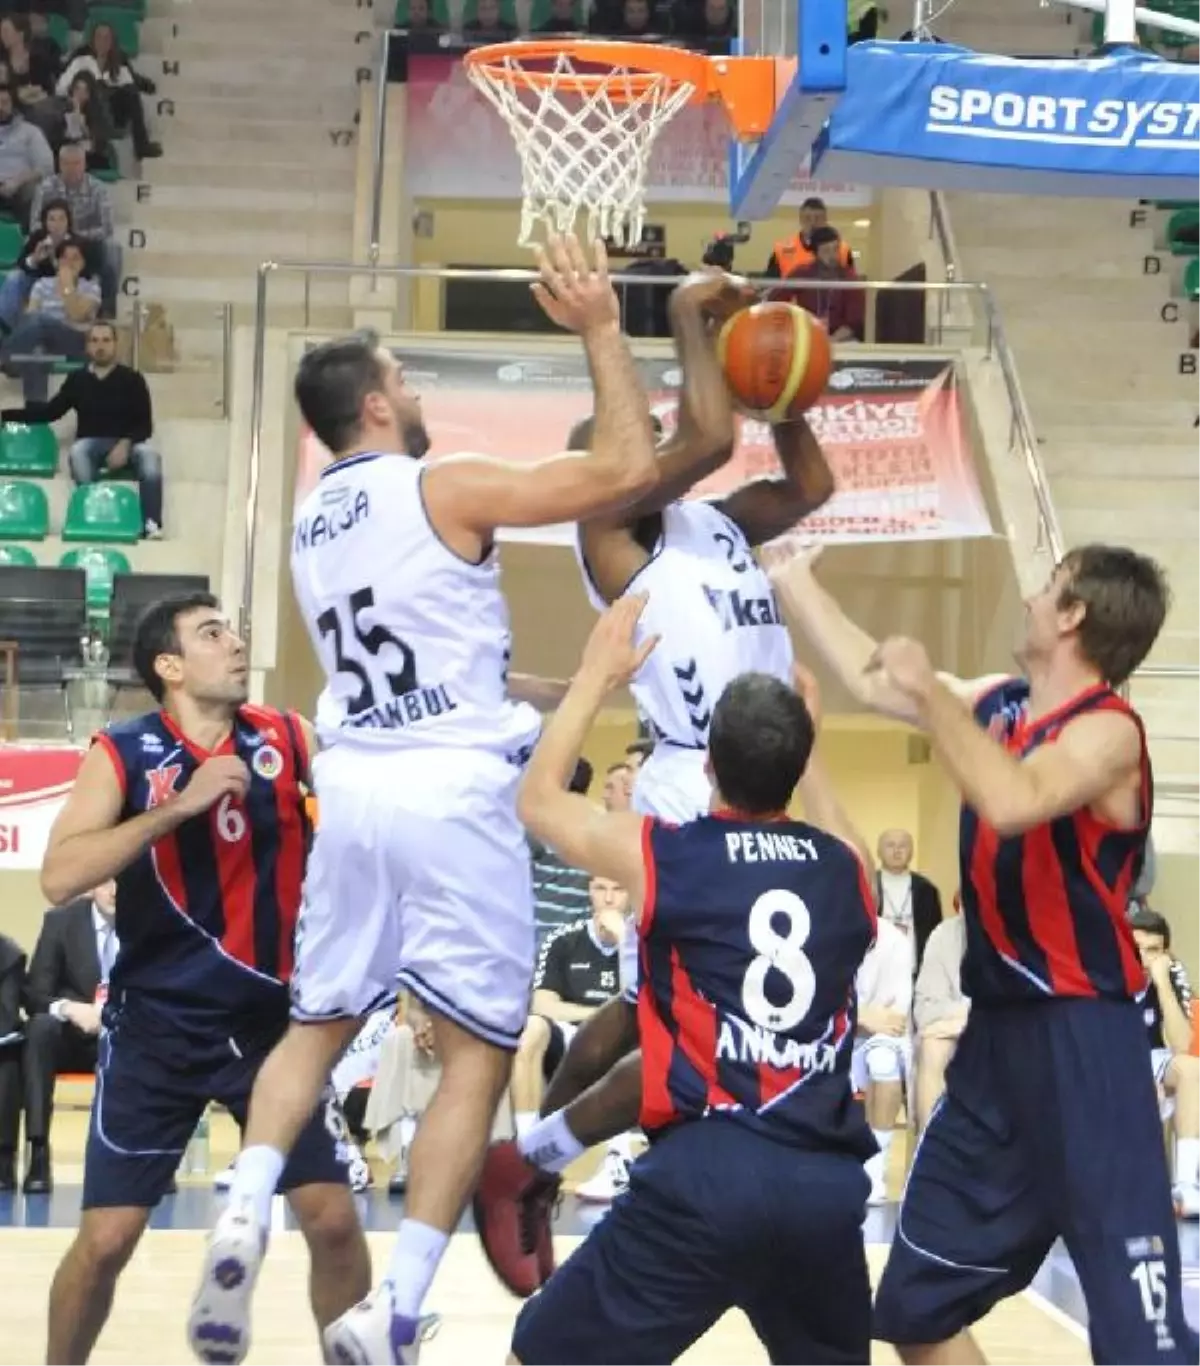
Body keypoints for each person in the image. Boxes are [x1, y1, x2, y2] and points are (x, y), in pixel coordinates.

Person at [188, 234, 663, 1366]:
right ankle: (394, 1309)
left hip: (354, 787)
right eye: (403, 377)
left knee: (319, 1023)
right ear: (371, 407)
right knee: (475, 1059)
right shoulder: (438, 483)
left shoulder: (311, 526)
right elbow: (625, 474)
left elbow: (438, 653)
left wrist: (542, 688)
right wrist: (602, 325)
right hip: (455, 796)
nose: (415, 390)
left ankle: (245, 1206)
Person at [476, 270, 840, 1273]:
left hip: (756, 780)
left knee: (650, 1012)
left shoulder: (716, 524)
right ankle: (548, 1167)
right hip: (691, 783)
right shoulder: (609, 526)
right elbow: (710, 440)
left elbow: (807, 487)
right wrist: (690, 316)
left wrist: (789, 395)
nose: (658, 444)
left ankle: (531, 1164)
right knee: (666, 1015)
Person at [773, 543, 1189, 1365]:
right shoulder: (997, 704)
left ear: (1073, 616)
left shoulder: (1109, 732)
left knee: (1146, 1340)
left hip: (1086, 1042)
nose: (1029, 600)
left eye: (1045, 590)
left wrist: (931, 694)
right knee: (914, 1309)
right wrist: (791, 579)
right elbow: (869, 675)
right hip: (995, 1043)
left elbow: (1012, 800)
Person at [503, 595, 878, 1366]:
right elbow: (839, 829)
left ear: (706, 765)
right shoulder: (848, 870)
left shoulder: (668, 855)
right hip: (822, 1189)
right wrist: (814, 750)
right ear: (797, 764)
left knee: (537, 1357)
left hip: (706, 1180)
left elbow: (538, 801)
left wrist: (593, 679)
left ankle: (541, 1147)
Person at [37, 592, 370, 1366]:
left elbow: (364, 803)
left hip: (272, 1031)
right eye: (213, 633)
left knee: (331, 1219)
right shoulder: (122, 751)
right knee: (109, 1239)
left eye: (235, 629)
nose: (237, 642)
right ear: (169, 665)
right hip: (158, 1026)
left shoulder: (288, 736)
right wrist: (174, 809)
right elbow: (58, 876)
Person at [1, 319, 164, 539]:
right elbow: (50, 412)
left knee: (150, 459)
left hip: (129, 443)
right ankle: (93, 511)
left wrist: (125, 445)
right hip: (91, 443)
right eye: (94, 340)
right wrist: (5, 415)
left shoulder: (133, 379)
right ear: (87, 347)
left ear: (115, 345)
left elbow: (145, 425)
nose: (100, 346)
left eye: (106, 340)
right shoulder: (78, 379)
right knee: (78, 452)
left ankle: (152, 524)